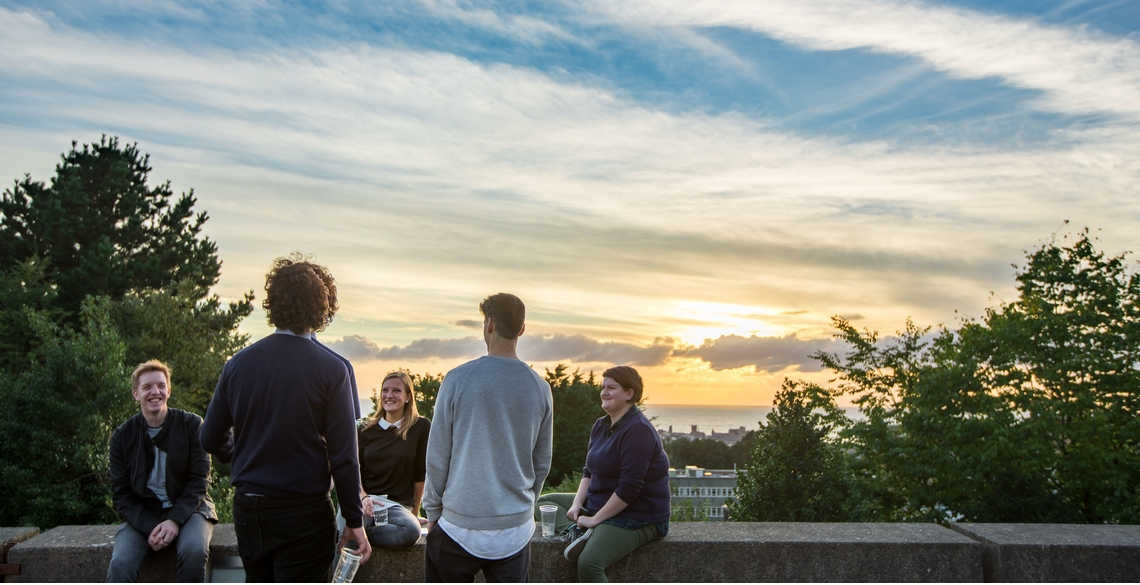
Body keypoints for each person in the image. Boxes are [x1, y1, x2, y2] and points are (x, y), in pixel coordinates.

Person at [199, 256, 370, 582]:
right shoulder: (333, 370)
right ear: (322, 308)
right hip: (304, 511)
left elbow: (209, 437)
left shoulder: (238, 365)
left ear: (272, 304)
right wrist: (354, 520)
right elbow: (344, 457)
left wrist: (240, 454)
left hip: (250, 508)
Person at [422, 293, 553, 582]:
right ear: (521, 329)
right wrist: (525, 508)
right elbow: (542, 462)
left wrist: (432, 511)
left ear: (489, 323)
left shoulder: (458, 379)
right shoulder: (540, 388)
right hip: (515, 529)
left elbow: (438, 455)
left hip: (459, 524)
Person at [535, 366, 670, 582]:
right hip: (600, 503)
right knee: (542, 503)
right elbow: (589, 471)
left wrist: (595, 520)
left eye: (611, 387)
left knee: (589, 563)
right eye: (603, 387)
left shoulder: (638, 431)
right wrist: (577, 504)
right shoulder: (601, 425)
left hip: (637, 516)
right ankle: (579, 532)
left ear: (629, 393)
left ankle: (588, 533)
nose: (604, 392)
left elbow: (629, 489)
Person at [107, 360, 217, 582]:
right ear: (136, 394)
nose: (155, 392)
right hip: (144, 513)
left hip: (191, 509)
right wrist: (151, 526)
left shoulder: (193, 425)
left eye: (160, 385)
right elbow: (121, 494)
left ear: (169, 389)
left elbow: (199, 481)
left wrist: (174, 520)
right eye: (147, 387)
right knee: (120, 562)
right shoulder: (122, 436)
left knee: (194, 550)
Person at [344, 371, 430, 549]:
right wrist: (364, 497)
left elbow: (420, 475)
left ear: (408, 397)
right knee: (351, 522)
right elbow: (353, 471)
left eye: (396, 391)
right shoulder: (364, 429)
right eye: (385, 390)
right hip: (365, 503)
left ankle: (361, 536)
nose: (389, 395)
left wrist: (414, 512)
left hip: (395, 508)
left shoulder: (420, 427)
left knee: (410, 531)